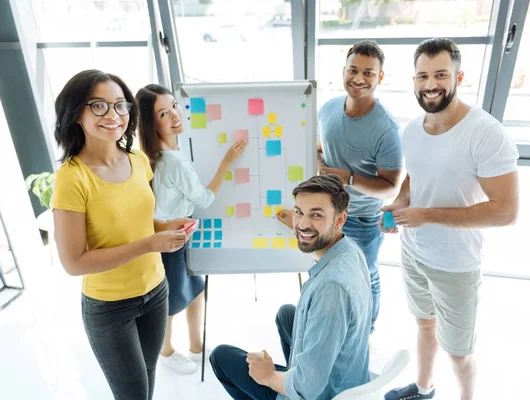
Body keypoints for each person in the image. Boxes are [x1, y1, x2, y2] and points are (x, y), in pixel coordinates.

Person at [382, 38, 519, 400]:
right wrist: (400, 203)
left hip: (456, 265)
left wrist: (425, 215)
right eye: (422, 76)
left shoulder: (485, 133)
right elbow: (417, 176)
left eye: (440, 74)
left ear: (460, 76)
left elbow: (506, 211)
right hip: (413, 253)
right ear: (412, 80)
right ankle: (424, 389)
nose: (430, 84)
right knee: (424, 324)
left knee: (459, 352)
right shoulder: (412, 130)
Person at [52, 70, 193, 399]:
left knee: (148, 377)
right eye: (98, 106)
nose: (113, 115)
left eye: (120, 105)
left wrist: (164, 229)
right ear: (76, 113)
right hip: (110, 308)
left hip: (156, 291)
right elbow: (74, 262)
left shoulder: (139, 160)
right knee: (133, 394)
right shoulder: (71, 178)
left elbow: (138, 224)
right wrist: (150, 244)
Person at [277, 40, 403, 331]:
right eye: (353, 70)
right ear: (343, 71)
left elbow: (390, 186)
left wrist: (347, 178)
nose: (359, 79)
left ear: (380, 77)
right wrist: (321, 164)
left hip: (361, 218)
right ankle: (326, 324)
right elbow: (322, 148)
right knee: (326, 272)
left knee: (364, 275)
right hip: (327, 214)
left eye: (369, 73)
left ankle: (363, 331)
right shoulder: (329, 109)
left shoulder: (386, 129)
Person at [211, 174, 372, 400]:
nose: (303, 223)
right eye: (299, 212)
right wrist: (301, 226)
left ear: (339, 220)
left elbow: (308, 388)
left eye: (316, 215)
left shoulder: (331, 288)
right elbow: (307, 227)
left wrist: (268, 376)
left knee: (220, 357)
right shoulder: (350, 251)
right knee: (287, 314)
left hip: (319, 393)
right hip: (349, 374)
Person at [136, 84, 246, 374]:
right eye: (163, 113)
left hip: (176, 233)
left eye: (174, 105)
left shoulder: (160, 152)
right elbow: (205, 199)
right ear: (151, 123)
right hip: (171, 238)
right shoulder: (172, 161)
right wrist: (226, 162)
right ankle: (167, 352)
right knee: (170, 301)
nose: (175, 115)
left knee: (195, 290)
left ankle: (196, 346)